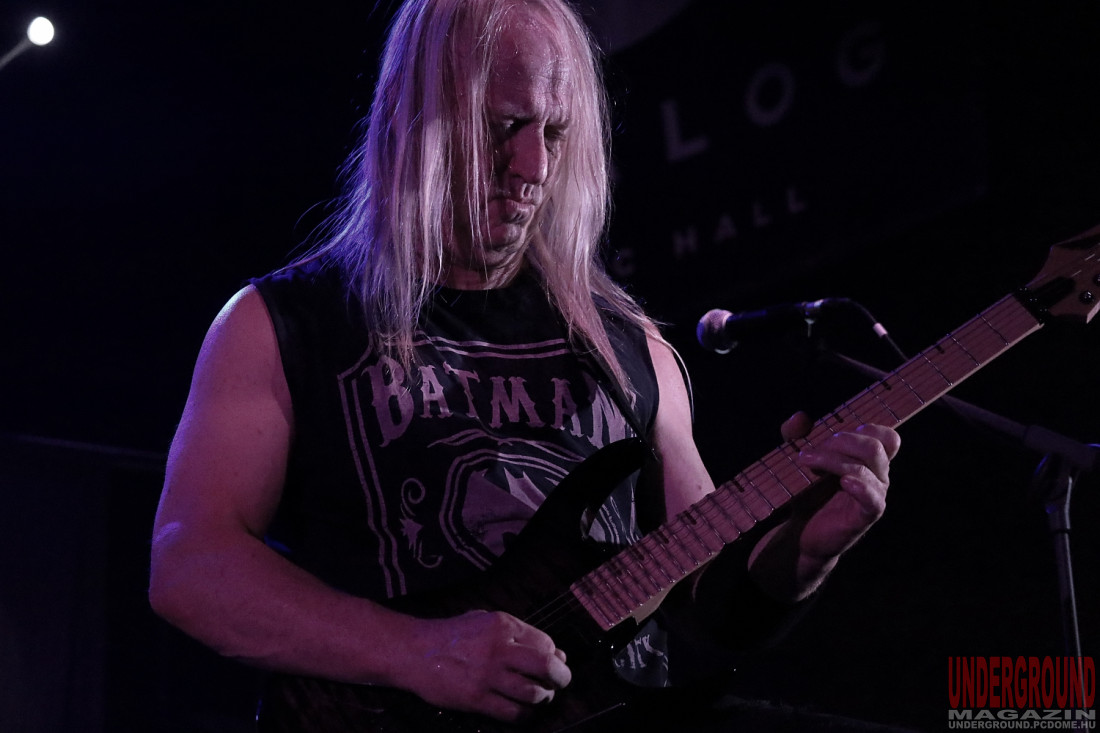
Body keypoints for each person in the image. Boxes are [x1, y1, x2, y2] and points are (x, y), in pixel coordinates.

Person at [148, 0, 901, 729]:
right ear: (416, 116)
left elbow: (713, 603)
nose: (534, 165)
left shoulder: (630, 346)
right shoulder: (280, 323)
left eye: (556, 131)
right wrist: (416, 650)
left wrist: (806, 549)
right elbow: (190, 564)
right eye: (504, 126)